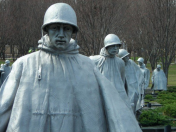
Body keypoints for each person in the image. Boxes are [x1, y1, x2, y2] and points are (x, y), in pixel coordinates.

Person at [0, 3, 142, 132]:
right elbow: (4, 107)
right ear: (47, 30)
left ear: (72, 32)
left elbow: (114, 107)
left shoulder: (86, 66)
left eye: (66, 29)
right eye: (55, 28)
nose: (61, 34)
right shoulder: (24, 64)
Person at [89, 34, 132, 111]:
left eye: (117, 46)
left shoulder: (120, 62)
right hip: (103, 95)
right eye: (112, 46)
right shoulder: (95, 60)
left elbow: (122, 80)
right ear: (106, 46)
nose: (115, 48)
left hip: (118, 95)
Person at [118, 49, 144, 115]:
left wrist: (140, 82)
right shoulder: (120, 65)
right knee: (129, 103)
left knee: (136, 103)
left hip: (135, 85)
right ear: (122, 58)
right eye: (125, 57)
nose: (128, 57)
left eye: (127, 56)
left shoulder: (131, 62)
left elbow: (139, 72)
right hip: (127, 87)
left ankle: (135, 117)